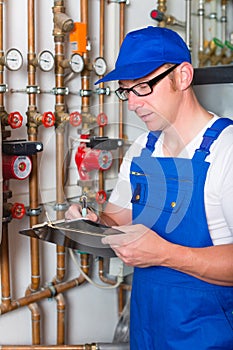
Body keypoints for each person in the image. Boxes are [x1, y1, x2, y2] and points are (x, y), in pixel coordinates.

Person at [65, 26, 233, 349]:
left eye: (143, 87)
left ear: (183, 77)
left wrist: (166, 254)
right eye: (126, 91)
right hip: (147, 335)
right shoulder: (144, 149)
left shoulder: (225, 150)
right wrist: (92, 221)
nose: (132, 104)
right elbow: (116, 219)